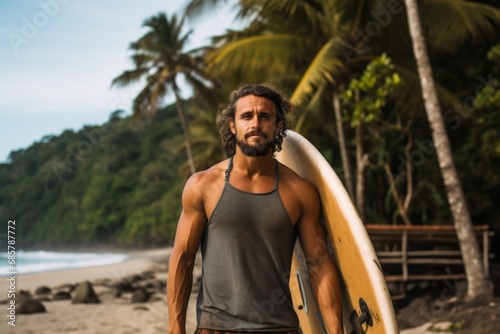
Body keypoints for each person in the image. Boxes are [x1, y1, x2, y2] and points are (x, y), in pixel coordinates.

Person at [167, 84, 343, 334]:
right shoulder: (203, 185)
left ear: (279, 125)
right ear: (232, 125)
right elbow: (183, 258)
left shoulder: (299, 191)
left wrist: (336, 331)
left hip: (280, 329)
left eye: (266, 116)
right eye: (247, 116)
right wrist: (175, 328)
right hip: (216, 329)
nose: (256, 124)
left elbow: (318, 264)